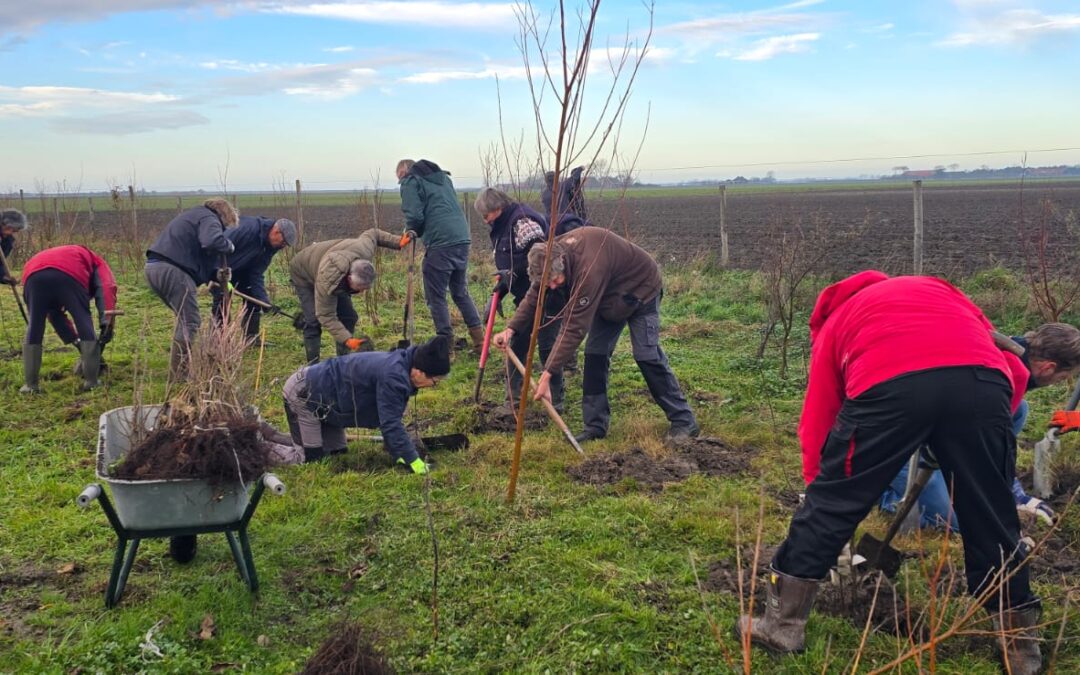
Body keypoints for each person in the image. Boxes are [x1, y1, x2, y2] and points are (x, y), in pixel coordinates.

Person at [735, 271, 1079, 675]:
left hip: (890, 385)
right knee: (991, 515)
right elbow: (1017, 373)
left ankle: (782, 627)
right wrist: (965, 439)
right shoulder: (940, 289)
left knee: (833, 503)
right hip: (983, 385)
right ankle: (1020, 649)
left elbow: (819, 417)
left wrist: (821, 487)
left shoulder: (837, 321)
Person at [492, 227, 699, 443]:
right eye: (548, 282)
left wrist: (547, 373)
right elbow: (535, 294)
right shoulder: (546, 258)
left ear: (562, 262)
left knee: (647, 355)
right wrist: (511, 329)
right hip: (608, 298)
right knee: (595, 355)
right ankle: (595, 426)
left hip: (641, 290)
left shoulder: (588, 269)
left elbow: (574, 328)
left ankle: (684, 420)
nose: (552, 286)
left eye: (555, 280)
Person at [879, 324, 1078, 532]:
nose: (1057, 384)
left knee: (1019, 410)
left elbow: (989, 443)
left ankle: (944, 478)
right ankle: (879, 489)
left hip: (939, 429)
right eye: (1062, 378)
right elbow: (984, 442)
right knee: (956, 522)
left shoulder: (1014, 357)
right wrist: (1012, 497)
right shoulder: (997, 376)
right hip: (897, 438)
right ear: (1048, 367)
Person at [281, 335, 451, 472]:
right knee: (309, 459)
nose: (433, 386)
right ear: (419, 372)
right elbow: (390, 423)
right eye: (434, 381)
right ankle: (258, 449)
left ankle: (279, 437)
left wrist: (398, 452)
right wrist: (413, 460)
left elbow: (388, 417)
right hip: (304, 395)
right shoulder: (394, 377)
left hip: (328, 405)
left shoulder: (404, 366)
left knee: (336, 453)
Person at [473, 187, 564, 414]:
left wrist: (512, 273)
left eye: (487, 215)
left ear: (499, 208)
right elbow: (511, 266)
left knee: (547, 346)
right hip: (526, 296)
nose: (486, 221)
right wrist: (503, 285)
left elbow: (540, 258)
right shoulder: (502, 225)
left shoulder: (522, 222)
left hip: (547, 294)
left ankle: (556, 400)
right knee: (517, 344)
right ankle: (513, 403)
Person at [144, 198, 239, 379]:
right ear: (224, 216)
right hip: (173, 271)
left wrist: (216, 274)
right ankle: (179, 375)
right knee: (190, 321)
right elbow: (211, 241)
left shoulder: (194, 216)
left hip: (154, 268)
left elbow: (193, 255)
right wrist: (229, 246)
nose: (224, 230)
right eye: (225, 227)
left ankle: (180, 369)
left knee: (185, 320)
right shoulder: (210, 218)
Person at [396, 159, 483, 353]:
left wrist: (410, 231)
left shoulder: (411, 181)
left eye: (399, 178)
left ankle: (446, 347)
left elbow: (415, 216)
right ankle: (480, 343)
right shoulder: (443, 178)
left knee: (436, 297)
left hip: (440, 242)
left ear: (403, 172)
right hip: (461, 238)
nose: (400, 182)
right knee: (460, 293)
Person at [290, 228, 403, 364]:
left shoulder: (363, 250)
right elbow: (326, 315)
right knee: (313, 320)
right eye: (359, 288)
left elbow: (373, 233)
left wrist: (398, 241)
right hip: (303, 272)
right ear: (349, 279)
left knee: (349, 316)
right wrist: (347, 339)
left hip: (327, 269)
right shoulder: (328, 281)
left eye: (365, 289)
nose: (361, 293)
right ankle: (312, 367)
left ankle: (342, 362)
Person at [18, 245, 118, 393]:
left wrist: (74, 340)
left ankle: (30, 386)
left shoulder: (59, 255)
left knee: (34, 326)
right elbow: (107, 288)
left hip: (32, 276)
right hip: (69, 273)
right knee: (83, 319)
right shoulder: (98, 262)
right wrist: (107, 323)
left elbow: (55, 315)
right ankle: (91, 381)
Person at [210, 215, 297, 341]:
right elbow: (217, 248)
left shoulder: (272, 246)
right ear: (276, 231)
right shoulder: (247, 229)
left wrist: (264, 301)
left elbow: (256, 273)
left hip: (242, 271)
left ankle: (251, 339)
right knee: (222, 301)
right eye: (283, 242)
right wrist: (219, 276)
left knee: (254, 299)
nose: (283, 246)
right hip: (220, 268)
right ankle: (218, 341)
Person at [540, 166, 588, 233]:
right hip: (567, 220)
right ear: (556, 178)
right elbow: (573, 179)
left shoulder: (544, 194)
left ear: (546, 181)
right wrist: (580, 169)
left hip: (552, 224)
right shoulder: (562, 187)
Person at [1, 208, 29, 286]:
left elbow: (0, 263)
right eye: (10, 229)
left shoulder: (7, 242)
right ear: (3, 224)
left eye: (14, 231)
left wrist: (3, 277)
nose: (10, 233)